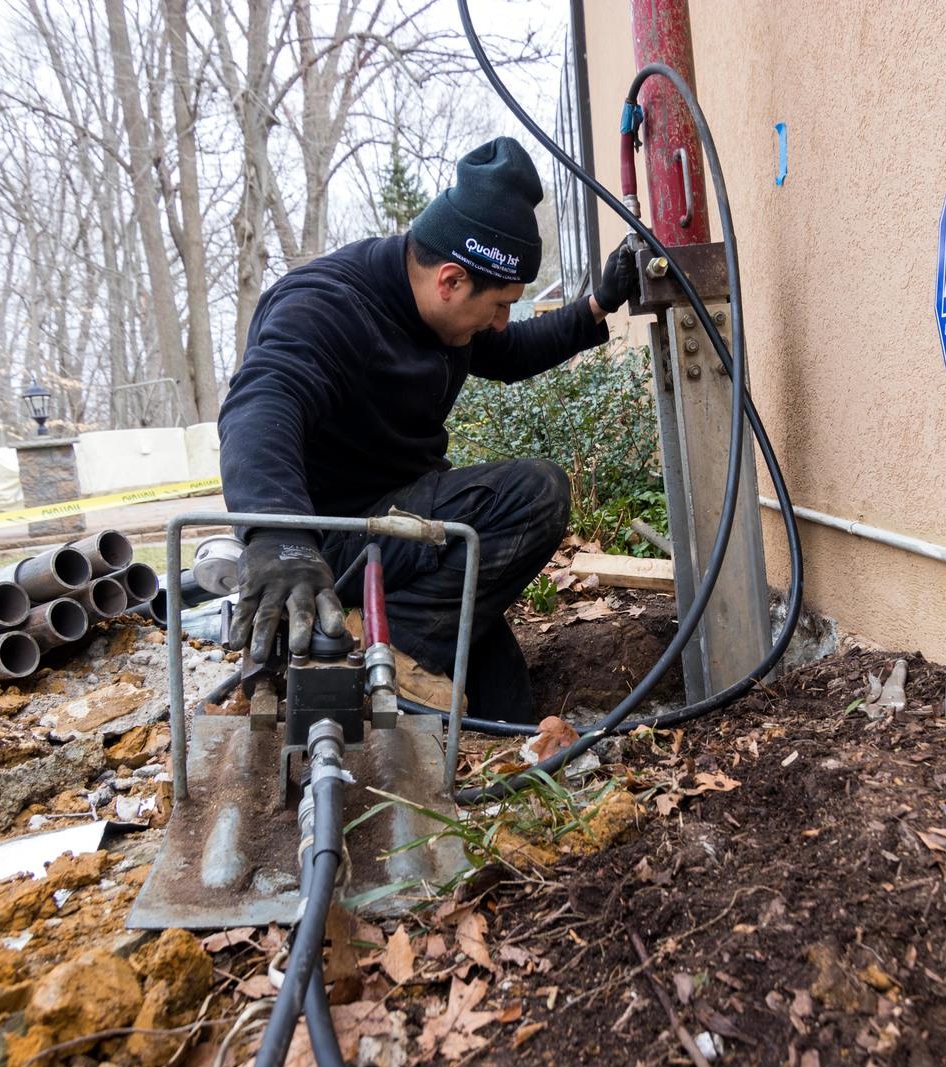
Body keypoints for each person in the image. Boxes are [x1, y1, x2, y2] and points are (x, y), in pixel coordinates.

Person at [218, 136, 639, 722]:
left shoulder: (445, 317)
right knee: (536, 492)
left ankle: (393, 647)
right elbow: (262, 402)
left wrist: (595, 306)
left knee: (506, 709)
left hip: (402, 534)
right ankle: (370, 656)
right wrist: (278, 534)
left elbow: (511, 351)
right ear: (450, 280)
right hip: (334, 542)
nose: (502, 321)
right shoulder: (327, 306)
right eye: (499, 306)